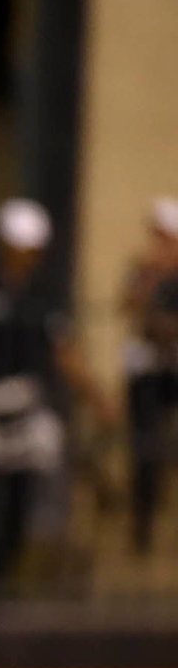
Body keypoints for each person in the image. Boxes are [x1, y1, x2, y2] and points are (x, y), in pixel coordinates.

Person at [0, 198, 115, 596]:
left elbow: (65, 353)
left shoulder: (43, 296)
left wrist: (97, 398)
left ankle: (7, 582)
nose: (26, 257)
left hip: (26, 412)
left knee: (19, 513)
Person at [120, 196, 178, 555]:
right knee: (144, 448)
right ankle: (142, 523)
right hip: (147, 371)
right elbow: (127, 306)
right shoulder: (142, 270)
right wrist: (150, 280)